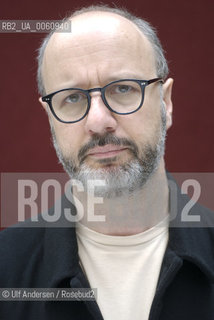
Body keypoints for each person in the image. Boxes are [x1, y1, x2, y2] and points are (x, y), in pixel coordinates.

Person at [0, 5, 214, 320]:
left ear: (165, 103)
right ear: (50, 117)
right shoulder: (6, 266)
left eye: (124, 88)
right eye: (71, 98)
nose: (99, 122)